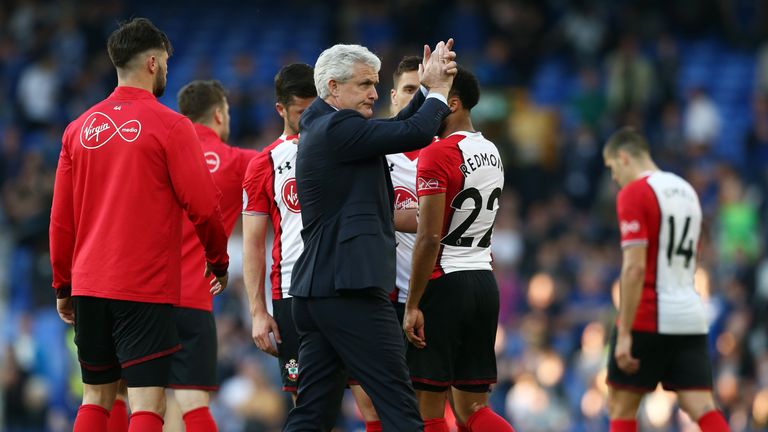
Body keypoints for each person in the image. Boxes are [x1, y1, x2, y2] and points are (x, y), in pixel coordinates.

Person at [49, 18, 229, 432]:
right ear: (152, 62)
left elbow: (61, 219)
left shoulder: (77, 129)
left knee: (96, 396)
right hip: (143, 286)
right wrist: (217, 261)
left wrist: (63, 285)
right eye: (165, 61)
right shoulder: (172, 126)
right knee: (148, 405)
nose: (167, 69)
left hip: (89, 284)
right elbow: (204, 206)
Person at [283, 41, 457, 432]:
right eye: (364, 84)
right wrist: (441, 92)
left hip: (318, 291)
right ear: (333, 87)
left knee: (312, 413)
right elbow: (413, 132)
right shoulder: (338, 127)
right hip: (352, 290)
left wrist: (428, 90)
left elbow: (396, 128)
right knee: (398, 403)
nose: (375, 94)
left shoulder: (323, 124)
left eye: (375, 84)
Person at [403, 66, 514, 432]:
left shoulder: (437, 155)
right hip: (483, 281)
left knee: (429, 411)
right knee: (473, 410)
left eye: (432, 100)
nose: (425, 111)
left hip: (446, 283)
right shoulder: (492, 151)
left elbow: (429, 236)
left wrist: (414, 302)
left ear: (453, 104)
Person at [602, 127, 730, 432]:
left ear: (624, 158)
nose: (614, 178)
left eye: (612, 169)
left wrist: (625, 333)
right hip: (689, 314)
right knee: (700, 406)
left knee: (621, 406)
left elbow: (634, 268)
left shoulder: (634, 193)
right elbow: (695, 259)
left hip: (649, 313)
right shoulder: (687, 191)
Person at [171, 79, 259, 431]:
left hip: (145, 297)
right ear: (220, 114)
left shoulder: (160, 156)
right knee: (194, 405)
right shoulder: (239, 161)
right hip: (195, 299)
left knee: (144, 404)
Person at [242, 63, 316, 396]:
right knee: (308, 403)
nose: (310, 119)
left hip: (344, 290)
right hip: (291, 294)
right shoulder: (264, 164)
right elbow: (253, 244)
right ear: (280, 109)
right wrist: (258, 312)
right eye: (301, 112)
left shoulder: (345, 149)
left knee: (367, 401)